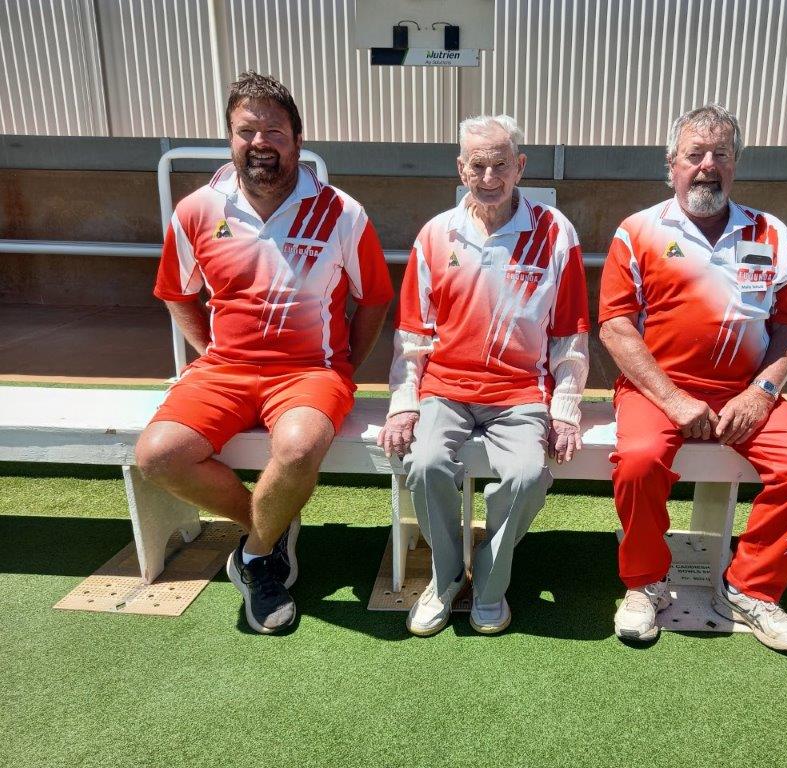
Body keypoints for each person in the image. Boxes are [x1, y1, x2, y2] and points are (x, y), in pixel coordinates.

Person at [134, 71, 392, 634]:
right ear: (230, 137)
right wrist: (207, 348)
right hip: (224, 369)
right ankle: (270, 528)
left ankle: (254, 555)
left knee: (299, 450)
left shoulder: (339, 211)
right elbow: (176, 292)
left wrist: (346, 364)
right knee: (156, 455)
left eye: (273, 130)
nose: (260, 143)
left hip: (309, 373)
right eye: (246, 130)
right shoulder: (197, 209)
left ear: (297, 139)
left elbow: (373, 299)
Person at [598, 104, 787, 651]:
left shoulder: (770, 231)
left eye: (720, 155)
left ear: (736, 163)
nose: (707, 166)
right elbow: (614, 327)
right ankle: (645, 584)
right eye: (694, 154)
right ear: (671, 163)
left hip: (744, 391)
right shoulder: (638, 231)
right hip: (656, 389)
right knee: (637, 463)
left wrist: (762, 392)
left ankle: (751, 589)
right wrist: (674, 399)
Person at [378, 115, 590, 637]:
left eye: (501, 164)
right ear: (461, 168)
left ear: (520, 167)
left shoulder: (555, 233)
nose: (490, 176)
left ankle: (490, 587)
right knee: (424, 464)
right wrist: (404, 403)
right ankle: (446, 577)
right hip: (445, 389)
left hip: (520, 392)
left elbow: (570, 331)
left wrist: (564, 409)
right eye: (478, 165)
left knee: (525, 475)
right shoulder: (436, 234)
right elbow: (413, 334)